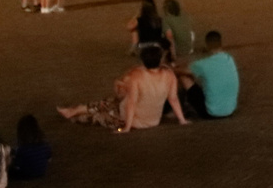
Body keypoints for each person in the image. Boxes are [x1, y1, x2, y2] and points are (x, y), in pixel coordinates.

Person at [58, 46, 188, 130]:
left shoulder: (137, 76)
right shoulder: (169, 75)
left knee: (99, 116)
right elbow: (173, 99)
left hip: (135, 121)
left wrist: (127, 126)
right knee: (109, 102)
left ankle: (75, 114)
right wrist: (182, 120)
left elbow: (131, 103)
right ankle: (75, 110)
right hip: (153, 120)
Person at [183, 31, 239, 118]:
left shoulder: (203, 64)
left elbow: (183, 70)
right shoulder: (229, 59)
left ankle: (181, 106)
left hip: (211, 113)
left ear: (207, 45)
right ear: (220, 43)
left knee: (185, 78)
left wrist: (169, 67)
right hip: (230, 110)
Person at [10, 114, 52, 180]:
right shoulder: (45, 145)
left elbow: (17, 165)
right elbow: (49, 159)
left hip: (27, 174)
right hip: (41, 172)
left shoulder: (22, 150)